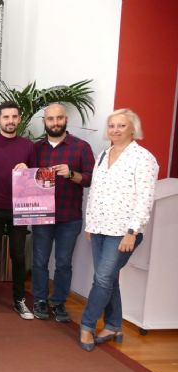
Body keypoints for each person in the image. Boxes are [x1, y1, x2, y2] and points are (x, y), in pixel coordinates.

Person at [79, 109, 158, 351]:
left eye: (121, 125)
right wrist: (90, 224)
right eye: (111, 125)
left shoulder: (143, 158)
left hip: (123, 231)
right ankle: (114, 324)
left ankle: (86, 325)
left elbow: (145, 198)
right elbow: (96, 193)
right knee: (108, 278)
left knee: (102, 278)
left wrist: (132, 231)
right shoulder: (103, 155)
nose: (115, 129)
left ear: (132, 129)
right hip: (100, 227)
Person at [32, 104, 95, 322]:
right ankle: (39, 300)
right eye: (51, 119)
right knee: (39, 261)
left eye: (59, 118)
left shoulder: (81, 147)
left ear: (65, 119)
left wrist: (71, 174)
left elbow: (90, 179)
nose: (55, 122)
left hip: (69, 217)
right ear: (44, 121)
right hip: (41, 215)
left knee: (63, 263)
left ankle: (58, 302)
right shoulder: (36, 149)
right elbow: (26, 179)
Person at [0, 100, 36, 320]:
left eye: (14, 117)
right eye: (6, 117)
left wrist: (29, 169)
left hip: (20, 209)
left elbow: (35, 180)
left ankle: (19, 299)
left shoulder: (29, 146)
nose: (10, 121)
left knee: (18, 256)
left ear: (18, 119)